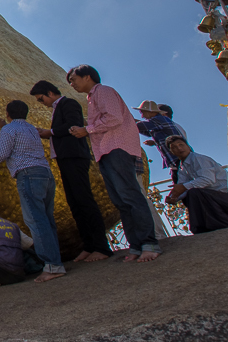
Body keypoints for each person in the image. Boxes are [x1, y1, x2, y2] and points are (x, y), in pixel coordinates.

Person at [66, 65, 161, 262]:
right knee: (120, 201)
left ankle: (149, 242)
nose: (72, 84)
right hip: (105, 151)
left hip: (117, 147)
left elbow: (114, 118)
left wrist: (87, 129)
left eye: (74, 79)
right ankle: (136, 245)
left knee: (130, 195)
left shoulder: (103, 91)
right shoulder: (91, 99)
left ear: (88, 77)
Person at [29, 80, 112, 262]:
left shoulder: (69, 103)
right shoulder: (57, 109)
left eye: (41, 99)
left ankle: (101, 246)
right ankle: (88, 245)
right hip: (64, 158)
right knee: (75, 203)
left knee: (85, 200)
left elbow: (73, 124)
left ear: (50, 93)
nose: (41, 103)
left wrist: (49, 132)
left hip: (75, 157)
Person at [0, 100, 66, 282]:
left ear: (8, 113)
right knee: (46, 219)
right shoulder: (31, 129)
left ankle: (53, 266)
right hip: (45, 174)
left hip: (28, 175)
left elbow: (1, 153)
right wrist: (4, 126)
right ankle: (56, 261)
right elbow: (18, 136)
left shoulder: (9, 130)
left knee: (36, 221)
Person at [164, 135, 228, 234]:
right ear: (171, 152)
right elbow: (182, 187)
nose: (179, 148)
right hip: (214, 198)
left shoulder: (199, 159)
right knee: (189, 196)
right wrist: (175, 198)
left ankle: (224, 223)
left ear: (188, 146)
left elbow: (207, 180)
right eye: (174, 147)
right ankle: (201, 228)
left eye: (181, 145)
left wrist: (183, 187)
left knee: (194, 193)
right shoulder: (182, 168)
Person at [134, 100, 184, 183]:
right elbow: (148, 132)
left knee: (181, 182)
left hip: (177, 158)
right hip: (176, 159)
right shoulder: (159, 121)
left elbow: (140, 126)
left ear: (149, 111)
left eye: (143, 112)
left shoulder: (158, 120)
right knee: (179, 181)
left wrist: (128, 120)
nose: (142, 116)